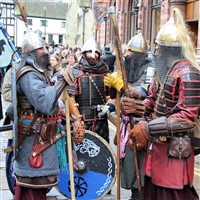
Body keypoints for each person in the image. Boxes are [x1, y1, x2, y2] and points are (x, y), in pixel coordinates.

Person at [120, 8, 200, 200]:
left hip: (176, 150)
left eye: (159, 48)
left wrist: (147, 128)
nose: (156, 52)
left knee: (173, 194)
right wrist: (137, 106)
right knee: (152, 193)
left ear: (168, 50)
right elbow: (153, 101)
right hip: (156, 148)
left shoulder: (188, 73)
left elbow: (187, 118)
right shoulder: (162, 71)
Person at [5, 28, 84, 200]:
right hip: (33, 138)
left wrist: (62, 112)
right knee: (33, 182)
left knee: (39, 182)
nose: (45, 52)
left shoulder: (37, 73)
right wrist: (63, 79)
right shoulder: (28, 75)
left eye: (44, 48)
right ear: (31, 53)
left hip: (41, 135)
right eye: (41, 49)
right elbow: (44, 101)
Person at [104, 32, 155, 200]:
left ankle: (139, 195)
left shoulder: (151, 67)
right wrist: (113, 83)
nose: (129, 56)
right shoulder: (124, 66)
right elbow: (115, 95)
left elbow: (143, 90)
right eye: (129, 52)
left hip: (142, 125)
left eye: (132, 53)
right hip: (127, 124)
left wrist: (126, 87)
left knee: (141, 169)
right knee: (129, 168)